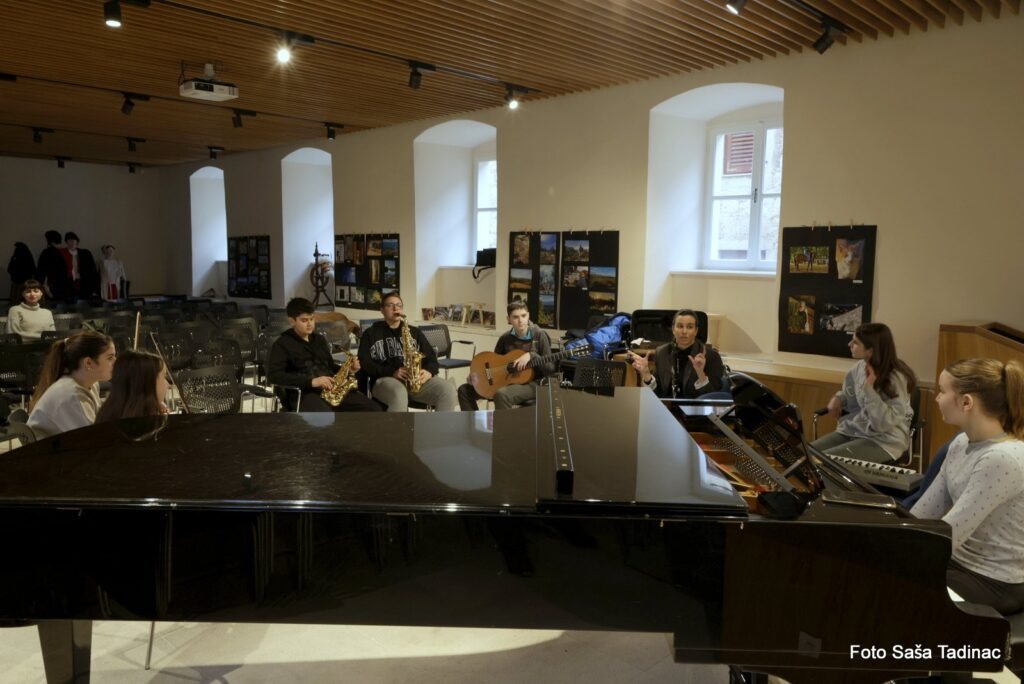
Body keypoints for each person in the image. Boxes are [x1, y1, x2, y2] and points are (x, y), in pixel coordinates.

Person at [910, 358, 1024, 616]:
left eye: (942, 391)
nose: (937, 398)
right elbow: (924, 513)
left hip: (995, 581)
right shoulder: (961, 442)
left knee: (900, 587)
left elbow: (948, 535)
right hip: (959, 564)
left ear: (966, 402)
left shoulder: (1001, 458)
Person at [810, 322, 916, 464]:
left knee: (822, 463)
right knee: (803, 453)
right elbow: (849, 393)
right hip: (857, 430)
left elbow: (882, 425)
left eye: (855, 342)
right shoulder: (859, 368)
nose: (849, 344)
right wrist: (839, 398)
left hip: (885, 441)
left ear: (870, 351)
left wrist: (869, 390)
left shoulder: (895, 378)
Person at [267, 297, 381, 412]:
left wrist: (348, 370)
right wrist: (312, 382)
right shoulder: (282, 344)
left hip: (331, 391)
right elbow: (274, 376)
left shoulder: (319, 339)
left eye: (312, 319)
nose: (310, 324)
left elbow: (329, 366)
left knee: (374, 409)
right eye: (304, 320)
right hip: (304, 393)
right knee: (327, 418)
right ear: (292, 321)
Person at [357, 292, 457, 412]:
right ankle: (398, 425)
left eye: (399, 305)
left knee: (448, 390)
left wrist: (429, 372)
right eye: (390, 305)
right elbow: (365, 363)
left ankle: (441, 425)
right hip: (384, 379)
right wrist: (392, 372)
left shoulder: (414, 332)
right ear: (382, 310)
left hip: (415, 380)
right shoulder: (370, 333)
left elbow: (431, 358)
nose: (395, 308)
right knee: (399, 393)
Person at [458, 301, 556, 411]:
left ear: (528, 315)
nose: (520, 320)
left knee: (502, 395)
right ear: (508, 319)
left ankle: (505, 423)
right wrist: (477, 376)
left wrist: (532, 355)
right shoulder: (505, 338)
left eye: (523, 316)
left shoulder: (539, 335)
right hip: (508, 381)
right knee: (464, 391)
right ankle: (474, 421)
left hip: (535, 383)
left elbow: (550, 369)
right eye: (515, 317)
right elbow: (494, 364)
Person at [27, 330, 116, 440]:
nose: (115, 362)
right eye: (110, 358)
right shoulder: (70, 394)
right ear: (88, 363)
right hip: (46, 450)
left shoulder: (91, 384)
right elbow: (94, 439)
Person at [629, 308, 725, 399]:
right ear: (673, 329)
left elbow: (715, 398)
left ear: (696, 331)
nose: (684, 331)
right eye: (680, 326)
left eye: (689, 327)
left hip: (696, 409)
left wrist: (701, 374)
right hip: (667, 408)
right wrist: (646, 374)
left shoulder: (711, 356)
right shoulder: (662, 353)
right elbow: (658, 394)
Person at [95, 350, 171, 422]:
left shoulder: (110, 412)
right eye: (164, 376)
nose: (168, 384)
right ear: (148, 382)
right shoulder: (144, 422)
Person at [61, 231, 99, 301]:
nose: (72, 243)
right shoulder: (61, 253)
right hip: (67, 284)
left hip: (83, 283)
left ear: (77, 242)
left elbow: (92, 270)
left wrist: (94, 286)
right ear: (66, 242)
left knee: (83, 302)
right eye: (69, 241)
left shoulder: (85, 253)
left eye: (73, 240)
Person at [37, 230, 69, 302]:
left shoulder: (47, 252)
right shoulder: (63, 252)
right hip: (62, 285)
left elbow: (42, 270)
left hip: (51, 285)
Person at [7, 241, 36, 305]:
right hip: (24, 282)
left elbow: (10, 269)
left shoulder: (16, 258)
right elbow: (33, 270)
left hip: (18, 282)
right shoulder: (28, 257)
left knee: (16, 298)